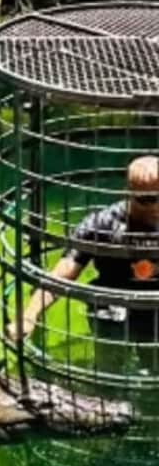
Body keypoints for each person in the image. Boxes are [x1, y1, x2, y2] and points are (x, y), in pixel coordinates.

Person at [10, 155, 159, 377]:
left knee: (153, 368)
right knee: (111, 366)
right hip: (111, 308)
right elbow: (62, 274)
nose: (153, 206)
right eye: (145, 200)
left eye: (157, 197)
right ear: (127, 192)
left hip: (155, 308)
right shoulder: (102, 224)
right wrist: (30, 315)